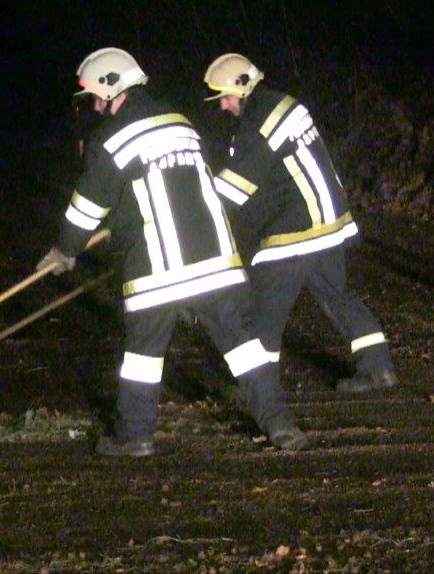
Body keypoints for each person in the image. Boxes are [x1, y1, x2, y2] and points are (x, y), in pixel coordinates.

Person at [36, 47, 307, 456]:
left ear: (111, 89)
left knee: (142, 358)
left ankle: (134, 437)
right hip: (217, 261)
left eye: (95, 96)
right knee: (245, 348)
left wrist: (65, 250)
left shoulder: (110, 139)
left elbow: (87, 206)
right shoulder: (181, 122)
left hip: (156, 271)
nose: (94, 105)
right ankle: (282, 425)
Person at [202, 53, 398, 393]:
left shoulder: (257, 123)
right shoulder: (283, 104)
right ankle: (379, 368)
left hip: (296, 227)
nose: (223, 106)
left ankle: (259, 390)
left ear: (242, 88)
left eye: (226, 97)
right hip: (329, 220)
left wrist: (192, 210)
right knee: (338, 296)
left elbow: (235, 187)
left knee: (264, 306)